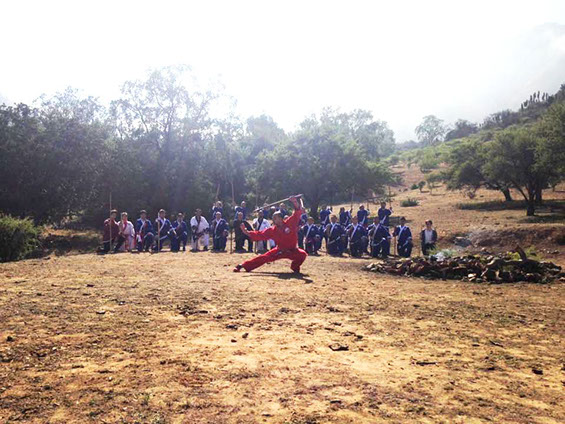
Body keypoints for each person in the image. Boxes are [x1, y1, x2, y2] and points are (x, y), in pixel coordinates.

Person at [233, 196, 307, 273]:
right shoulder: (272, 230)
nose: (274, 220)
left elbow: (297, 213)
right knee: (264, 257)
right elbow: (260, 234)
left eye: (275, 218)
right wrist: (247, 232)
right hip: (280, 250)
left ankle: (295, 267)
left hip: (293, 250)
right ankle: (242, 265)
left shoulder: (290, 222)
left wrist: (294, 202)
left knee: (303, 254)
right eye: (273, 218)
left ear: (281, 218)